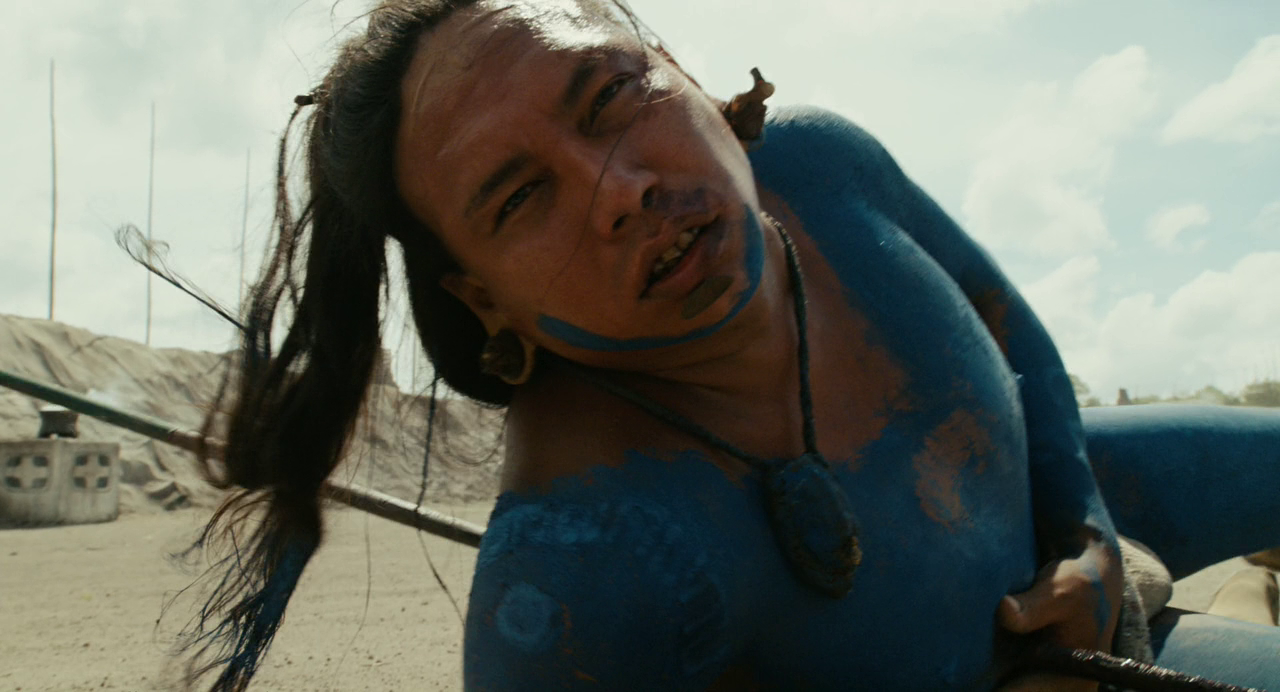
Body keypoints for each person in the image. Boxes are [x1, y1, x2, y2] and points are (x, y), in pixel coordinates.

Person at [183, 0, 1280, 689]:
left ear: (679, 68)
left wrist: (1086, 534)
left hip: (1060, 499)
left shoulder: (824, 165)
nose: (619, 187)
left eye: (612, 96)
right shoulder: (583, 568)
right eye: (519, 197)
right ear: (483, 299)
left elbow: (1004, 325)